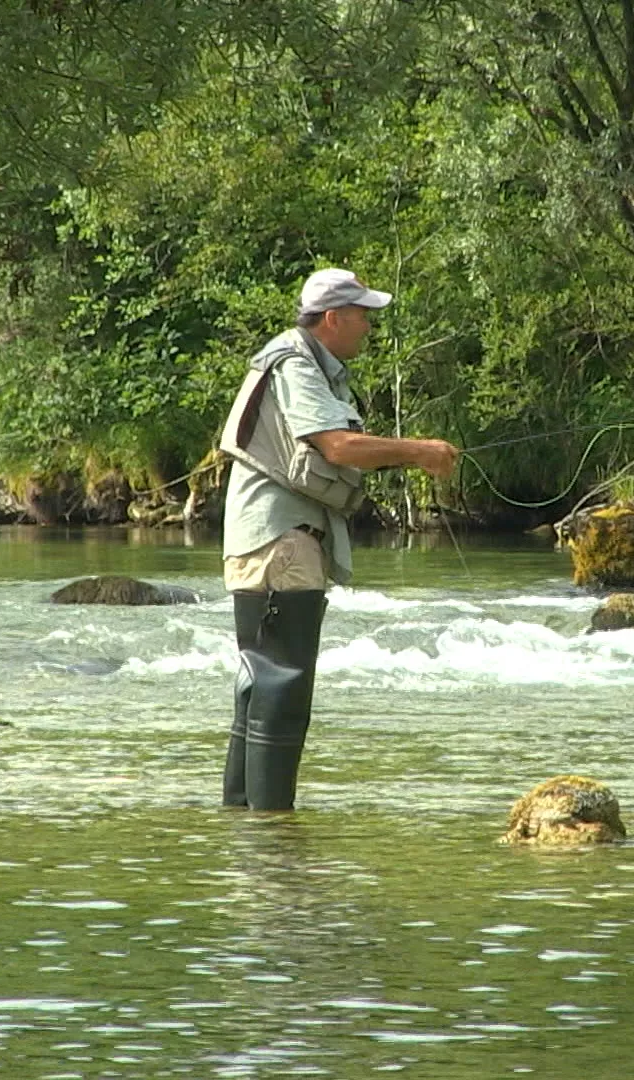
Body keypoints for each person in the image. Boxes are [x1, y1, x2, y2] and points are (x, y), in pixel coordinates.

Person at [216, 268, 458, 811]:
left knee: (259, 686)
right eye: (363, 316)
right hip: (282, 542)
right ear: (334, 318)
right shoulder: (296, 364)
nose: (369, 327)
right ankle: (274, 835)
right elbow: (338, 446)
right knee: (283, 685)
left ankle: (248, 829)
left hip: (264, 539)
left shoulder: (298, 361)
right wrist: (420, 451)